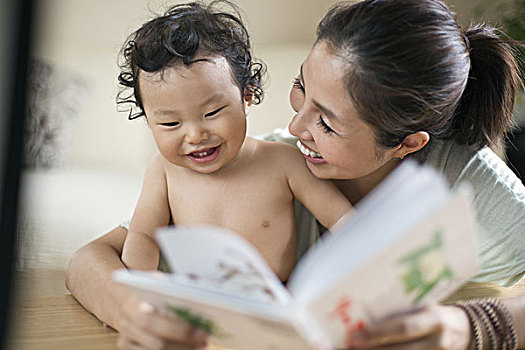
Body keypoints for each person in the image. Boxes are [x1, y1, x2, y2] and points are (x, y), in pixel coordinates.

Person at [66, 0, 525, 349]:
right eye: (300, 87)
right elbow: (94, 258)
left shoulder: (473, 188)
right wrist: (128, 305)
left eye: (327, 122)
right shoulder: (275, 156)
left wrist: (471, 326)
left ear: (407, 144)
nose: (296, 127)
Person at [115, 1, 352, 281]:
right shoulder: (164, 171)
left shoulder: (283, 161)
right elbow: (143, 235)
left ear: (247, 97)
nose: (195, 135)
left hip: (277, 302)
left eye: (212, 113)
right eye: (170, 123)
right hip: (200, 304)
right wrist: (140, 288)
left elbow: (342, 220)